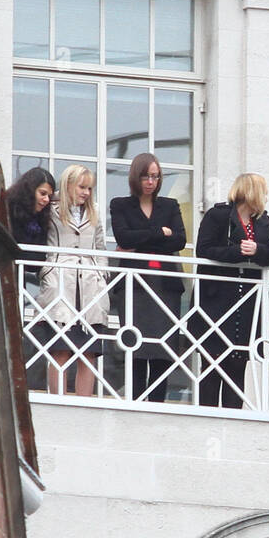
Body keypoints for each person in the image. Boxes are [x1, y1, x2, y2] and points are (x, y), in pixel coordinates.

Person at [194, 173, 269, 408]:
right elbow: (203, 250)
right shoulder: (218, 215)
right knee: (212, 362)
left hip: (246, 301)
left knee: (237, 362)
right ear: (251, 192)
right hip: (217, 299)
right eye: (263, 190)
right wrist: (238, 253)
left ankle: (234, 419)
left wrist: (257, 250)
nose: (266, 196)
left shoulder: (262, 220)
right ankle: (207, 417)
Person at [109, 152, 187, 403]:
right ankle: (135, 400)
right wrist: (159, 233)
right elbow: (123, 238)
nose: (151, 181)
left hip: (165, 285)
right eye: (146, 176)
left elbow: (179, 239)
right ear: (136, 177)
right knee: (136, 345)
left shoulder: (170, 205)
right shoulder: (120, 204)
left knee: (162, 348)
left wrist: (142, 237)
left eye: (155, 176)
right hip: (135, 284)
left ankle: (157, 403)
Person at [35, 164, 108, 397]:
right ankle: (59, 399)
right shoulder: (52, 209)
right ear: (68, 185)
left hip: (89, 285)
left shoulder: (94, 211)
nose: (86, 192)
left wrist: (102, 275)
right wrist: (46, 271)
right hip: (60, 281)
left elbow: (100, 248)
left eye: (89, 188)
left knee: (89, 351)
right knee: (61, 350)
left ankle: (85, 402)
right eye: (82, 187)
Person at [5, 166, 56, 390]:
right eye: (42, 193)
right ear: (29, 190)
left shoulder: (41, 219)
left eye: (49, 196)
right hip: (2, 271)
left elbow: (37, 259)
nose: (46, 200)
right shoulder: (8, 206)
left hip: (18, 278)